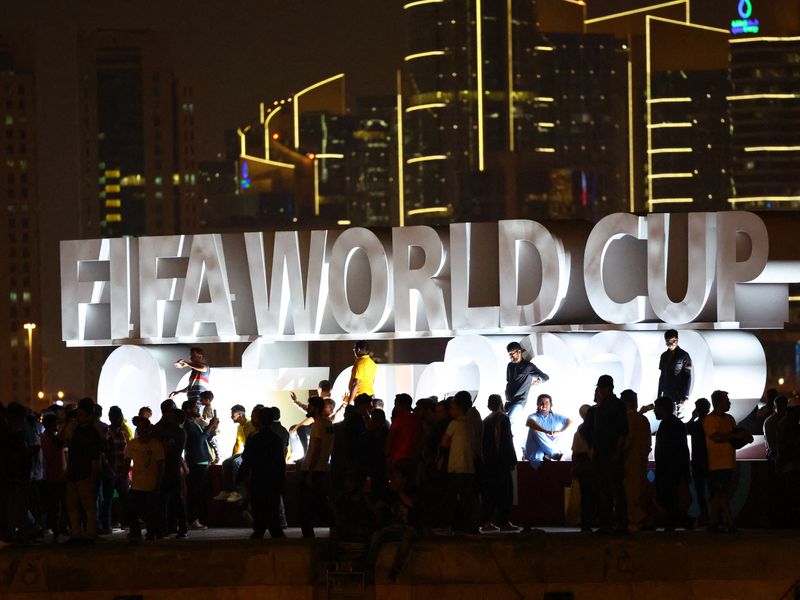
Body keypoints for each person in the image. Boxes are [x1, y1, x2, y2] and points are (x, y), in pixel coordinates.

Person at [582, 375, 628, 535]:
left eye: (601, 388)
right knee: (606, 489)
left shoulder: (614, 406)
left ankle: (617, 523)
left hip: (609, 452)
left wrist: (616, 452)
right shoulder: (603, 407)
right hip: (602, 453)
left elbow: (623, 432)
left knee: (612, 489)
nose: (600, 391)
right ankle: (609, 523)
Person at [703, 390, 752, 533]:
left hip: (728, 462)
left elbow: (731, 439)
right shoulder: (710, 420)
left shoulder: (729, 419)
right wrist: (737, 436)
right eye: (727, 401)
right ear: (718, 402)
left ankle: (714, 523)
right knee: (721, 493)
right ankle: (729, 522)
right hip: (716, 463)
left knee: (719, 494)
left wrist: (742, 438)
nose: (729, 403)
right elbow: (716, 438)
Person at [237, 407, 286, 539]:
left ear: (258, 420)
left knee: (259, 505)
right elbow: (281, 461)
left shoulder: (254, 438)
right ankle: (274, 530)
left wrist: (240, 476)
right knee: (272, 505)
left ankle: (260, 529)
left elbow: (247, 460)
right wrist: (281, 478)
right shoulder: (276, 438)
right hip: (273, 477)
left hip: (258, 476)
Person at [63, 397, 105, 544]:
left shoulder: (92, 433)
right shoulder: (76, 429)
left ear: (89, 415)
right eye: (78, 414)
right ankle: (76, 532)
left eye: (81, 415)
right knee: (72, 504)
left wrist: (93, 478)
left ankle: (90, 532)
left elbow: (95, 458)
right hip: (74, 473)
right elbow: (63, 443)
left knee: (88, 505)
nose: (78, 417)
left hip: (84, 474)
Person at [439, 391, 479, 533]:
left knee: (452, 497)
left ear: (458, 408)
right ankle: (468, 526)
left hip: (455, 467)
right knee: (467, 499)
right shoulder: (471, 424)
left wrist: (453, 445)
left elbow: (444, 442)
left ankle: (451, 525)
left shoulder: (454, 424)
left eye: (452, 408)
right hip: (469, 468)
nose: (450, 411)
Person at [480, 394, 518, 532]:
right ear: (501, 403)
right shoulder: (503, 418)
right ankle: (504, 521)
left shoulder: (486, 420)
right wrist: (512, 459)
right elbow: (507, 441)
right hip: (501, 461)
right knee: (505, 492)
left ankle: (487, 521)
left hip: (489, 462)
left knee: (490, 492)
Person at [300, 396, 335, 537]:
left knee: (308, 505)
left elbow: (317, 449)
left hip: (314, 469)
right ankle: (335, 527)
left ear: (315, 407)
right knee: (319, 503)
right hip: (322, 468)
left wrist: (309, 471)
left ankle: (308, 534)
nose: (308, 408)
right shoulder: (328, 424)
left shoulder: (318, 425)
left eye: (309, 406)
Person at [125, 417, 165, 542]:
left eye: (144, 428)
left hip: (150, 484)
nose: (141, 431)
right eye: (139, 428)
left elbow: (161, 465)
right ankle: (137, 532)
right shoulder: (133, 444)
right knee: (134, 511)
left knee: (150, 512)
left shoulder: (156, 445)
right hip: (137, 484)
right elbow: (127, 463)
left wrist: (158, 483)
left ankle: (151, 532)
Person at [653, 396, 690, 531]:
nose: (654, 411)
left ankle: (672, 524)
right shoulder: (675, 423)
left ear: (662, 408)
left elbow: (670, 450)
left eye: (656, 408)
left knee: (670, 498)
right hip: (674, 469)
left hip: (669, 470)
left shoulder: (667, 424)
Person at [182, 399, 219, 530]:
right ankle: (193, 519)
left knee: (200, 492)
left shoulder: (194, 423)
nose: (198, 409)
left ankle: (197, 518)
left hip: (202, 461)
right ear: (187, 410)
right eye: (195, 407)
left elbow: (204, 439)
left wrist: (212, 429)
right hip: (196, 461)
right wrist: (210, 426)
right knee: (195, 492)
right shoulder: (187, 425)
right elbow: (198, 441)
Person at [504, 342, 549, 449]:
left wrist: (539, 380)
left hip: (519, 401)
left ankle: (513, 450)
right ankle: (523, 447)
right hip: (509, 401)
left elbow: (545, 377)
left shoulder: (528, 366)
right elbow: (508, 381)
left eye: (512, 353)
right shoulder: (509, 366)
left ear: (519, 352)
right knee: (508, 425)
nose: (510, 356)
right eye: (509, 354)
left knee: (509, 423)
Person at [621, 389, 651, 531]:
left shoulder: (627, 419)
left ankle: (637, 520)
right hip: (641, 460)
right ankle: (640, 519)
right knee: (638, 491)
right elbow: (648, 444)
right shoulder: (643, 419)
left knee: (629, 493)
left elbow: (627, 442)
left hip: (628, 461)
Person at [213, 404, 255, 503]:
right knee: (226, 462)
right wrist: (232, 456)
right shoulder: (239, 427)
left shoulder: (250, 425)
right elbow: (237, 444)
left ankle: (240, 492)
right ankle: (227, 490)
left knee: (236, 462)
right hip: (244, 452)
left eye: (233, 414)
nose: (231, 417)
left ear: (240, 415)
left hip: (251, 453)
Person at [524, 394, 571, 463]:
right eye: (541, 403)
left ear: (551, 405)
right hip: (535, 455)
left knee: (559, 432)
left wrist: (559, 432)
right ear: (537, 404)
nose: (544, 405)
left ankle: (548, 454)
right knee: (534, 429)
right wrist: (545, 431)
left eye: (546, 403)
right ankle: (553, 454)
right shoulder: (533, 416)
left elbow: (569, 421)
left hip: (550, 450)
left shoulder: (555, 416)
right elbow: (529, 422)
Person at [686, 398, 711, 527]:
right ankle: (715, 516)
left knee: (700, 491)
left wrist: (692, 417)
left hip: (697, 462)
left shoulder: (695, 425)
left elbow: (685, 428)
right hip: (711, 461)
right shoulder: (711, 424)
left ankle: (704, 514)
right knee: (713, 491)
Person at [386, 393, 423, 474]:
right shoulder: (416, 420)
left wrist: (388, 455)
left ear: (400, 405)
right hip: (413, 457)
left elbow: (391, 438)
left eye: (396, 405)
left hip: (398, 457)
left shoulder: (398, 420)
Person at [657, 330, 692, 416]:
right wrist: (659, 395)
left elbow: (687, 376)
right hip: (666, 393)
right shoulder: (663, 356)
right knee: (666, 416)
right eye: (668, 341)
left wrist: (686, 395)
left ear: (677, 340)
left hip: (678, 394)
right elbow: (662, 375)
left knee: (677, 417)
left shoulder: (684, 355)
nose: (671, 343)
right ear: (666, 341)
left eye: (673, 341)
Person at [347, 341, 377, 405]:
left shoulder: (360, 363)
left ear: (358, 350)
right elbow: (372, 381)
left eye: (354, 349)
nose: (353, 350)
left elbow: (355, 384)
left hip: (361, 398)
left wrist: (349, 403)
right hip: (370, 395)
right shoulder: (372, 363)